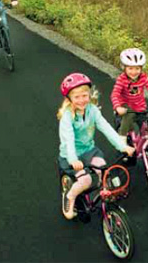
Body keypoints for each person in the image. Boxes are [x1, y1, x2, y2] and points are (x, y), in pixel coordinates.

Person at [57, 73, 135, 220]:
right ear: (69, 99)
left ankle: (106, 197)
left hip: (89, 151)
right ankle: (69, 196)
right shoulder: (67, 117)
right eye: (77, 97)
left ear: (89, 94)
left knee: (103, 169)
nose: (82, 100)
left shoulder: (92, 110)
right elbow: (68, 140)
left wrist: (123, 146)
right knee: (85, 181)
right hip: (71, 155)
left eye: (84, 95)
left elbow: (105, 127)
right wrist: (73, 159)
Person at [111, 48, 148, 146]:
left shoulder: (143, 78)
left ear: (141, 68)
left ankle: (145, 141)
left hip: (139, 106)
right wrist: (117, 107)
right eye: (130, 68)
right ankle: (121, 138)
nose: (134, 72)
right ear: (124, 67)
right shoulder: (121, 79)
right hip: (125, 106)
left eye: (137, 68)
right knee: (129, 116)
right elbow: (115, 94)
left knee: (144, 125)